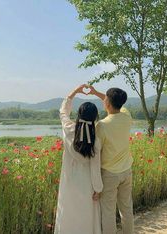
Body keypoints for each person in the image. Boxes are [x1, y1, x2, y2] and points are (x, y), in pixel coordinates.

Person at [54, 84, 103, 234]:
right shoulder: (95, 141)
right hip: (87, 184)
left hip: (69, 181)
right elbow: (95, 168)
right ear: (95, 118)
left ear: (78, 115)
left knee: (68, 211)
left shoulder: (69, 129)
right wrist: (98, 188)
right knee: (86, 215)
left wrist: (75, 91)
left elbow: (63, 112)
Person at [88, 86, 134, 234]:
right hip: (126, 171)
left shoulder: (102, 125)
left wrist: (95, 93)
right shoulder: (126, 117)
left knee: (108, 213)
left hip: (109, 174)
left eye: (105, 98)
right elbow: (116, 103)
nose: (104, 100)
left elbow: (96, 152)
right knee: (126, 209)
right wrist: (96, 93)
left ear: (107, 102)